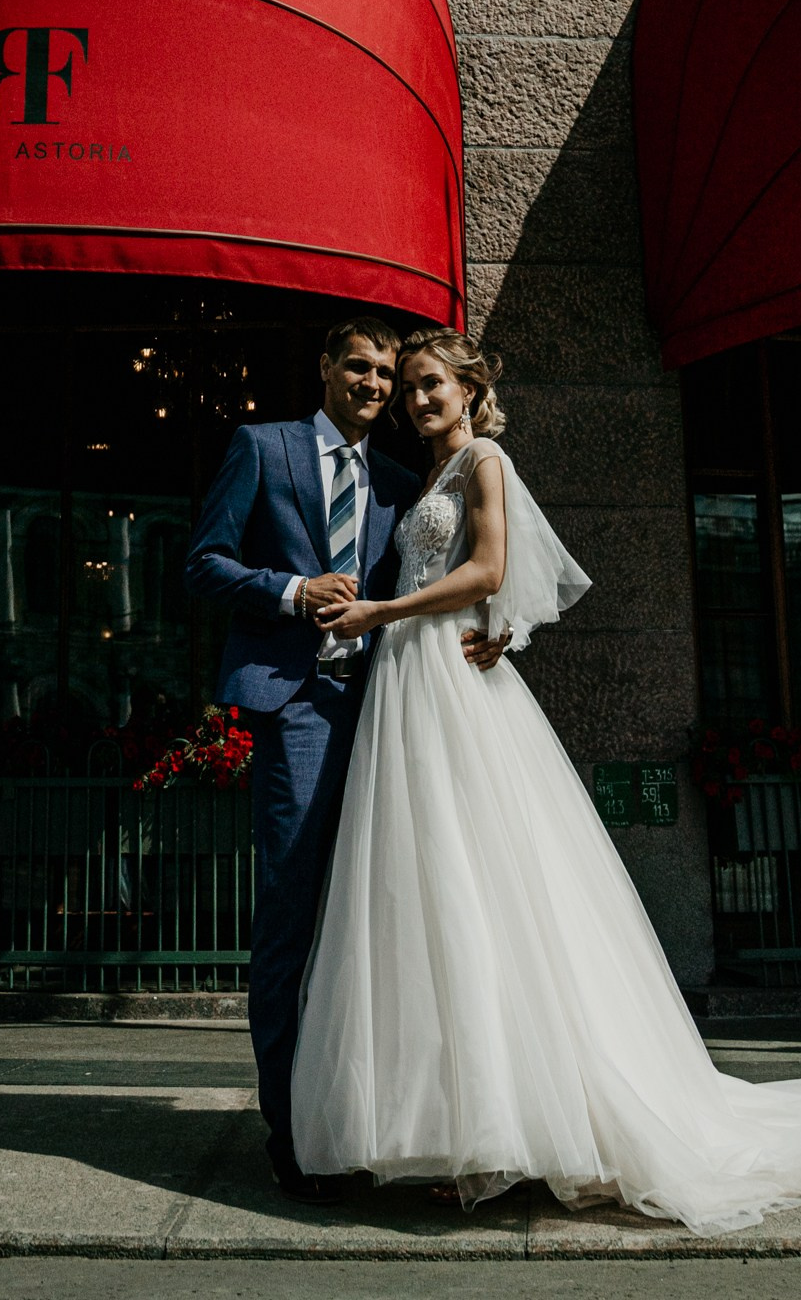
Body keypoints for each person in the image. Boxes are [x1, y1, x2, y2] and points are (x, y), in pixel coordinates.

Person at [290, 328, 801, 1231]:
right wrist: (472, 625)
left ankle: (504, 1134)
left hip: (437, 677)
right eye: (410, 387)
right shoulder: (428, 475)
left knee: (482, 883)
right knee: (428, 889)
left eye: (433, 383)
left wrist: (388, 611)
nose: (417, 398)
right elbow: (482, 590)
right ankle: (451, 1118)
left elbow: (491, 568)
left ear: (469, 391)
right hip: (412, 679)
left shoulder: (485, 462)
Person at [183, 315, 508, 1201]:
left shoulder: (407, 481)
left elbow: (456, 572)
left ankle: (371, 1117)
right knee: (292, 913)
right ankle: (293, 1134)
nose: (377, 386)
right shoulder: (263, 446)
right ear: (326, 368)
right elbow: (203, 565)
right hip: (297, 711)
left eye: (390, 376)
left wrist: (496, 629)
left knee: (383, 917)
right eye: (361, 369)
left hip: (392, 714)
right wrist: (288, 591)